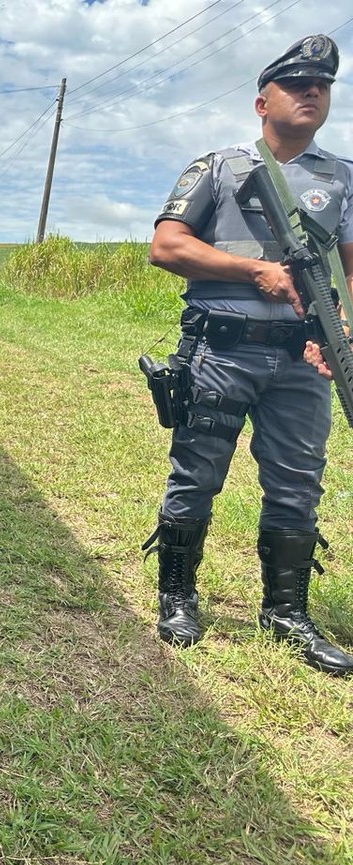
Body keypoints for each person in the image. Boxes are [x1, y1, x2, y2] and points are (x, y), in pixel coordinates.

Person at [146, 34, 353, 676]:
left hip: (300, 362)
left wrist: (342, 336)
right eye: (296, 84)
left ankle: (286, 613)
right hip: (221, 350)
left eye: (322, 84)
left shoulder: (341, 178)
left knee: (296, 485)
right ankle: (177, 597)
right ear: (262, 101)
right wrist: (254, 272)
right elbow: (167, 245)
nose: (312, 91)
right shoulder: (218, 167)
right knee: (197, 472)